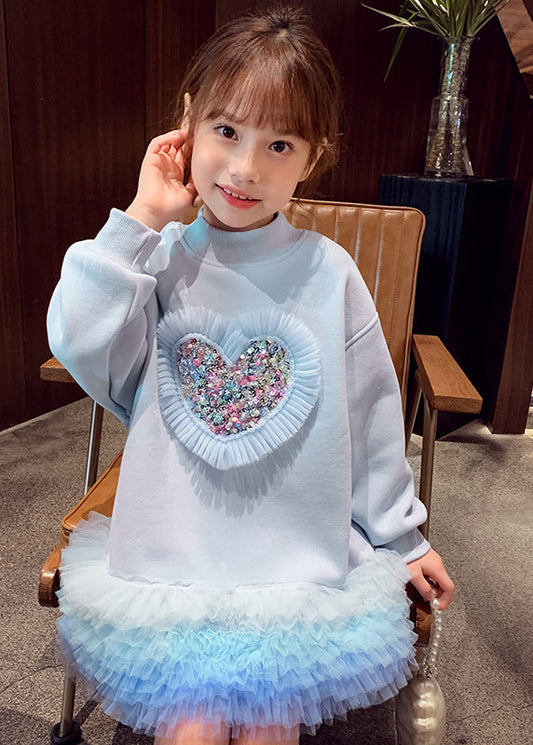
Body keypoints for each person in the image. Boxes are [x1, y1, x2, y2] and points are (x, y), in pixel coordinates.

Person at [47, 6, 454, 745]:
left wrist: (403, 536)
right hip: (175, 559)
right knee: (192, 730)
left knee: (270, 728)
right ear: (188, 124)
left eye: (279, 144)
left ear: (312, 157)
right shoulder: (155, 258)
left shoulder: (329, 272)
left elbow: (369, 414)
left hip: (291, 561)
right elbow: (79, 337)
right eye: (226, 130)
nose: (245, 168)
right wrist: (141, 215)